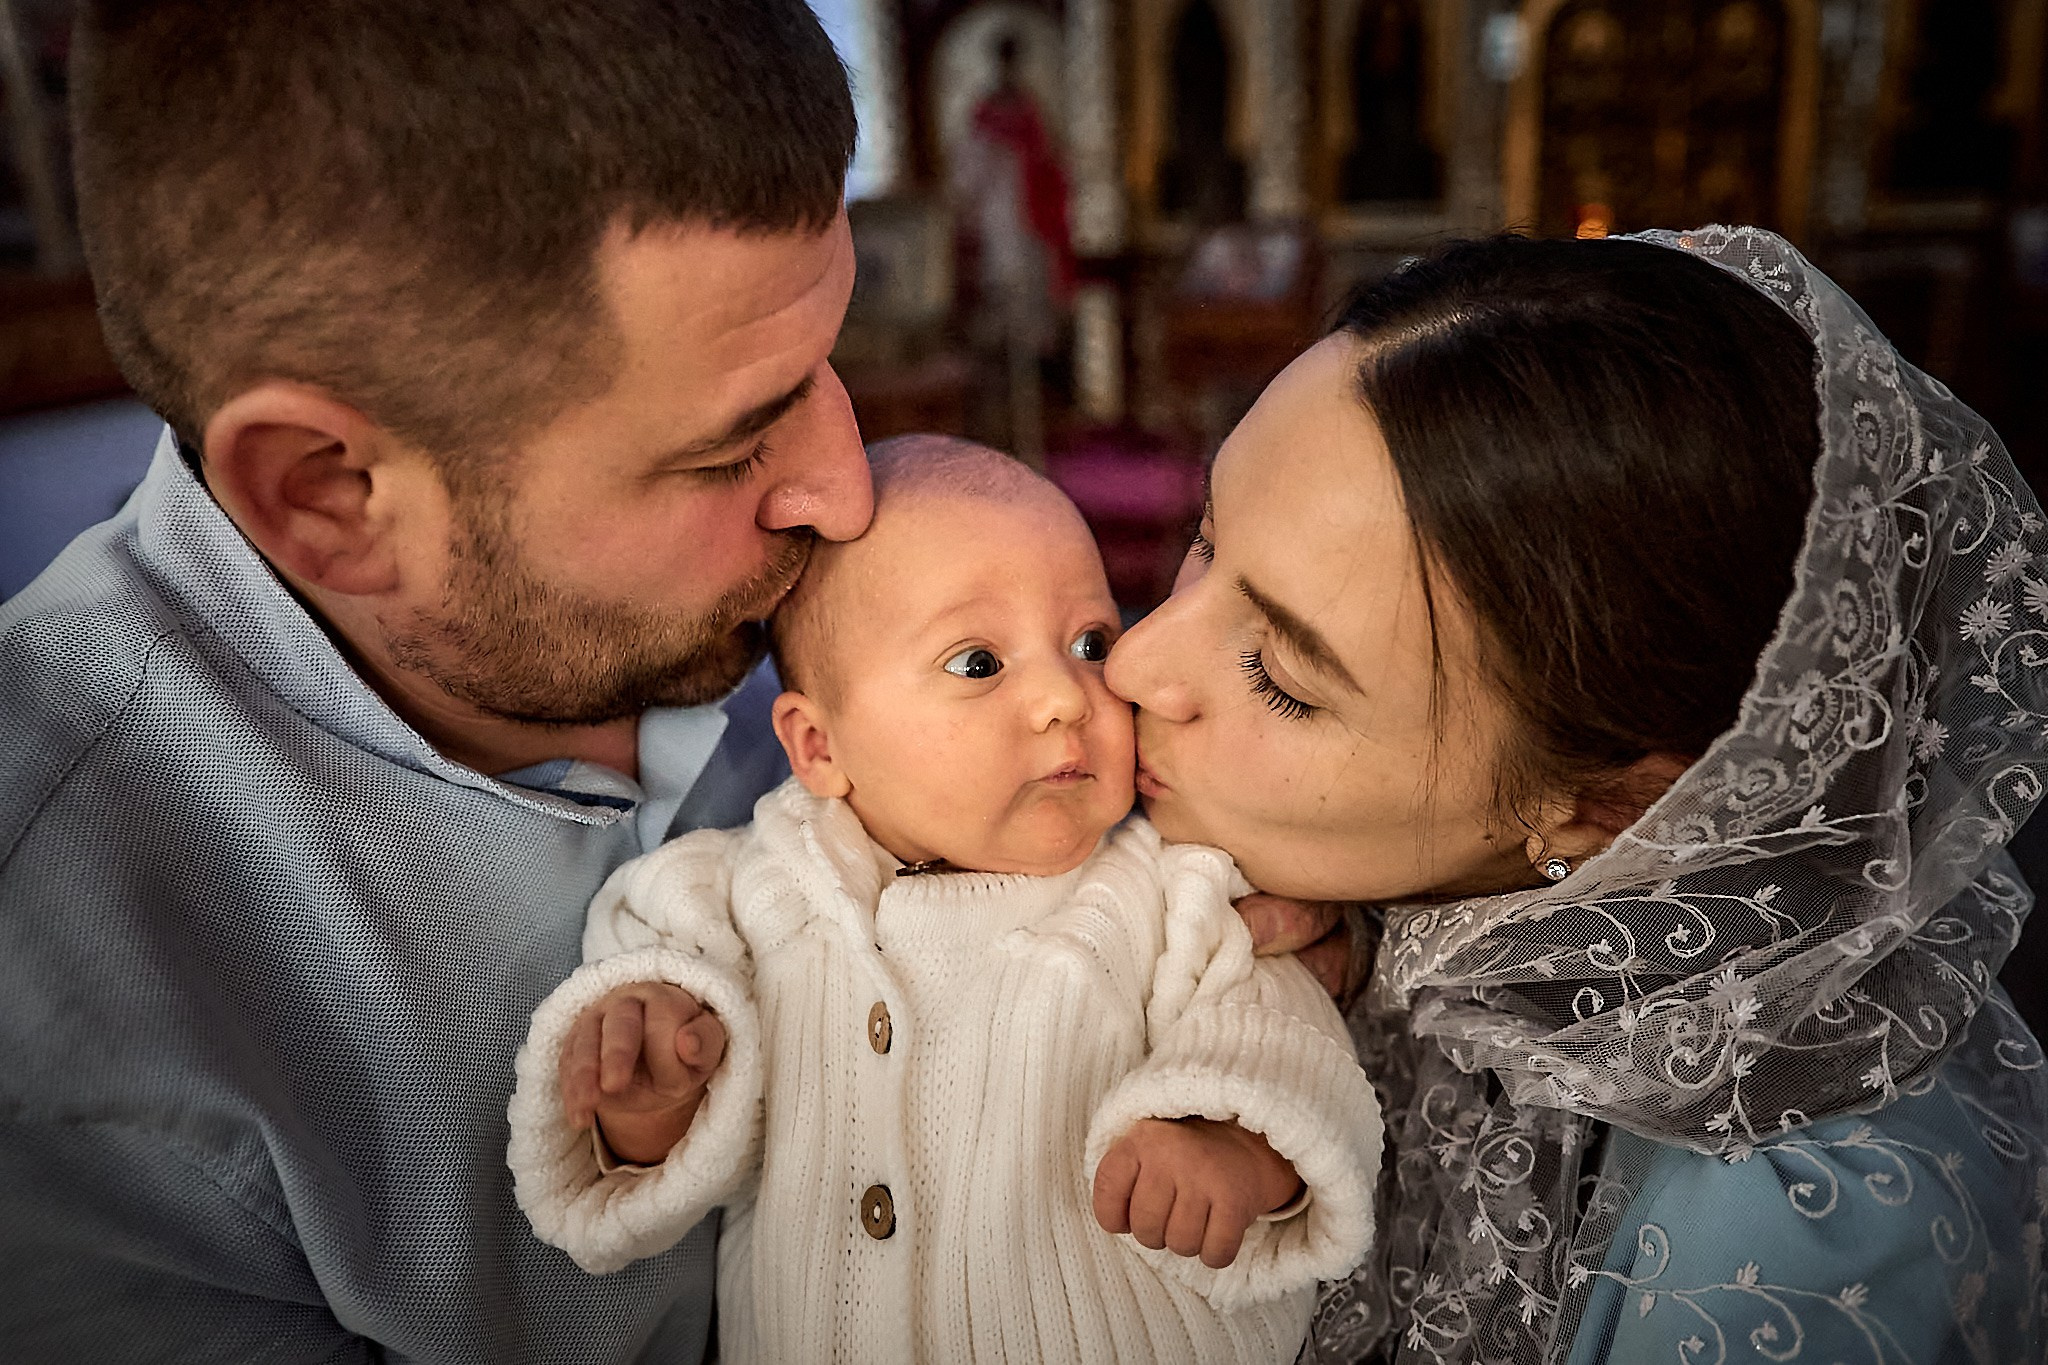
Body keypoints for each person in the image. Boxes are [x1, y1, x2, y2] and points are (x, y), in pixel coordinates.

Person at [0, 3, 873, 1360]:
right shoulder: (60, 1002)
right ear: (329, 494)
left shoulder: (779, 584)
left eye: (827, 362)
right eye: (726, 452)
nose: (850, 493)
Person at [1104, 226, 2048, 1363]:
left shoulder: (1774, 1255)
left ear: (1603, 809)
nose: (1132, 663)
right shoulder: (1361, 913)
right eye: (1207, 544)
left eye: (1280, 677)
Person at [505, 436, 1383, 1364]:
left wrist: (1235, 1146)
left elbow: (1281, 1032)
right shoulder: (739, 893)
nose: (1064, 696)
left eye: (1091, 643)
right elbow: (672, 1105)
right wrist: (649, 1102)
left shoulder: (1170, 889)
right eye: (978, 663)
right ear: (819, 747)